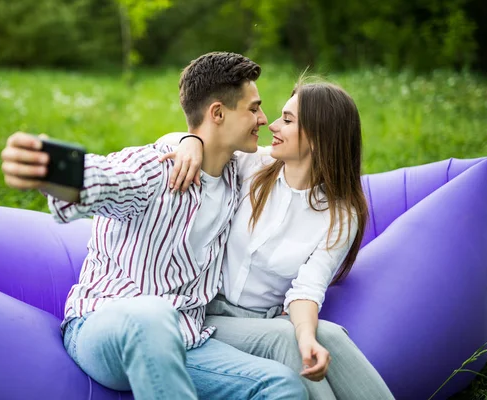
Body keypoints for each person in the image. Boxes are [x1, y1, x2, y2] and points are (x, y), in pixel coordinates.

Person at [0, 52, 308, 400]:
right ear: (218, 113)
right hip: (107, 327)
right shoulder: (157, 168)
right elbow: (106, 177)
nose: (263, 119)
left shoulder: (240, 171)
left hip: (185, 338)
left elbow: (301, 157)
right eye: (254, 108)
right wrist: (49, 170)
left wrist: (190, 139)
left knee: (281, 385)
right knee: (152, 313)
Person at [157, 80, 395, 399]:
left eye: (287, 119)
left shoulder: (342, 213)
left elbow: (308, 288)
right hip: (206, 315)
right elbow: (193, 139)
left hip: (262, 320)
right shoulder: (252, 165)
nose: (272, 124)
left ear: (319, 135)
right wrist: (189, 142)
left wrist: (308, 335)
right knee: (286, 337)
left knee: (330, 336)